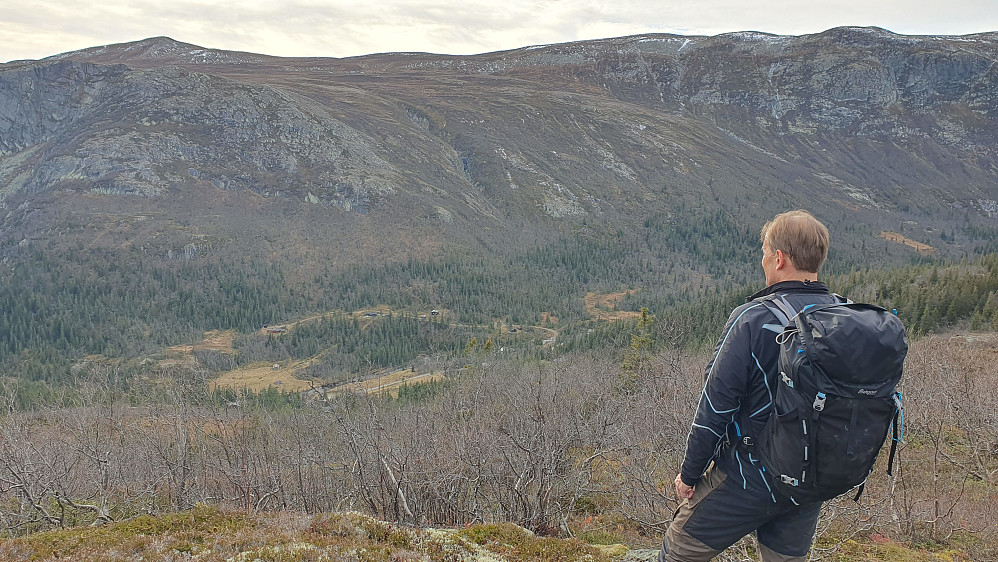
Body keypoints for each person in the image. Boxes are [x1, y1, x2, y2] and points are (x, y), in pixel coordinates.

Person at [659, 210, 839, 562]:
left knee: (678, 551)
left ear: (779, 258)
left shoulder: (753, 319)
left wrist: (690, 473)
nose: (763, 258)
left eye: (764, 251)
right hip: (810, 479)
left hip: (749, 476)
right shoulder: (841, 317)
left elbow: (716, 406)